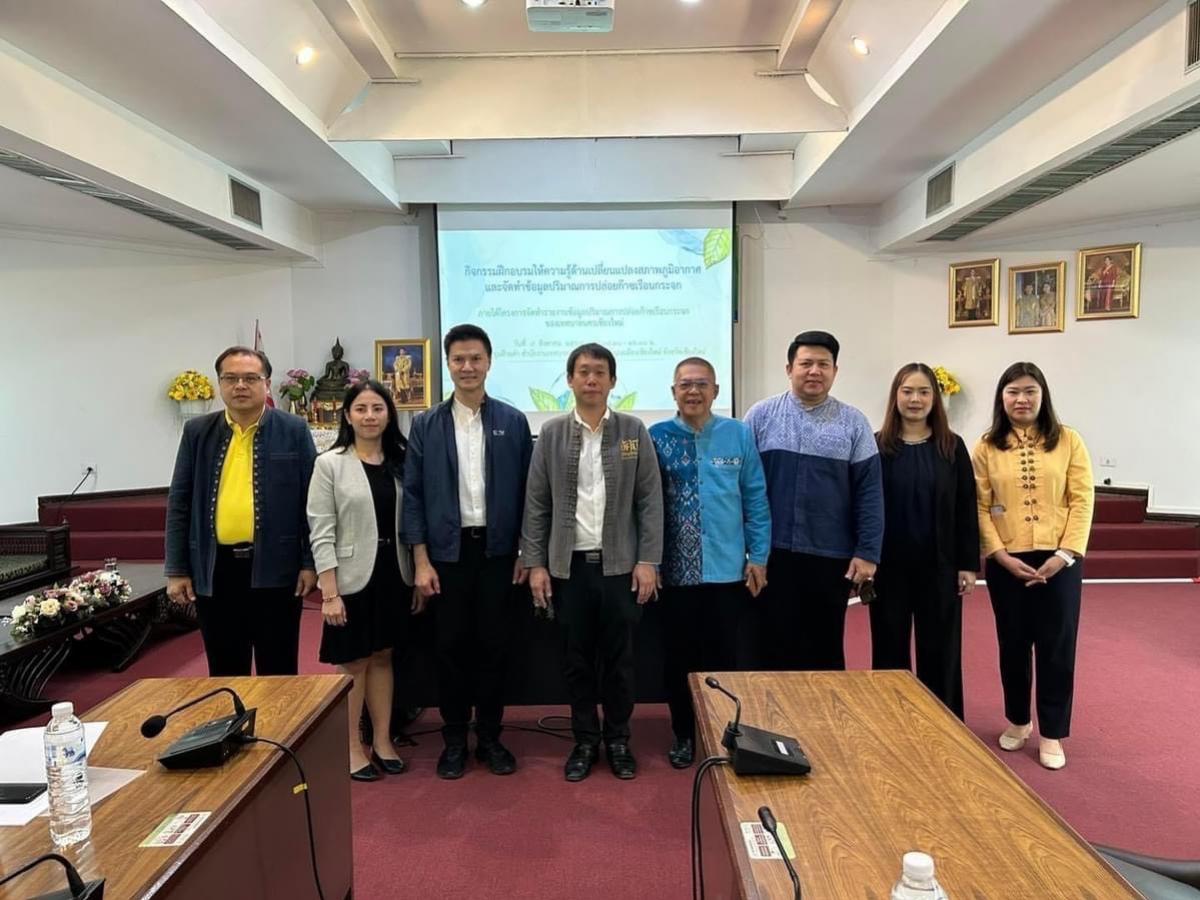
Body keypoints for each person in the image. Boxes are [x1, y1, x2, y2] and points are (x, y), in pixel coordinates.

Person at [521, 343, 663, 782]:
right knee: (576, 661)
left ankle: (618, 740)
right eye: (583, 372)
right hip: (569, 568)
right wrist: (536, 563)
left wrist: (648, 560)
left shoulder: (633, 431)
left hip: (621, 568)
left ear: (612, 381)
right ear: (570, 380)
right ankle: (584, 741)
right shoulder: (551, 434)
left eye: (600, 372)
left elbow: (650, 500)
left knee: (620, 661)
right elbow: (537, 503)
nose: (591, 379)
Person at [401, 324, 533, 779]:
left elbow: (530, 494)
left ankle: (491, 738)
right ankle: (455, 740)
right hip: (446, 557)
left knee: (495, 649)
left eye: (476, 358)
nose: (467, 367)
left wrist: (526, 551)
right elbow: (413, 495)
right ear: (448, 365)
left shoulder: (513, 421)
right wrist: (420, 560)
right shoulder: (426, 424)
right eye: (458, 359)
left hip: (499, 555)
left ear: (489, 362)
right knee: (450, 649)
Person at [165, 346, 317, 676]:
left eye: (250, 378)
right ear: (220, 384)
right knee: (225, 669)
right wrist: (177, 569)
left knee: (279, 670)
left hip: (277, 567)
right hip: (215, 568)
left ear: (267, 383)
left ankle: (278, 715)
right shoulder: (197, 432)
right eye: (230, 378)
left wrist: (309, 562)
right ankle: (231, 714)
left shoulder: (293, 430)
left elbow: (311, 503)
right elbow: (180, 502)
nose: (240, 386)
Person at [650, 357, 770, 768]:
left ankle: (720, 730)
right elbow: (644, 505)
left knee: (723, 656)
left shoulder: (738, 434)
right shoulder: (656, 437)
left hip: (727, 569)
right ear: (673, 392)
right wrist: (649, 561)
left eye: (702, 384)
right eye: (685, 384)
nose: (693, 391)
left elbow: (755, 499)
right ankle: (684, 734)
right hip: (675, 572)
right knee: (678, 658)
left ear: (716, 391)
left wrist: (759, 556)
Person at [972, 362, 1094, 770]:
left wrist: (1065, 554)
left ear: (1043, 396)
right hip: (1008, 561)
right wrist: (999, 554)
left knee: (1057, 646)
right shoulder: (987, 446)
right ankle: (1018, 720)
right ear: (1001, 398)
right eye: (1013, 392)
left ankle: (1052, 732)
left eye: (1029, 391)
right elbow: (979, 505)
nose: (1021, 399)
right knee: (1013, 643)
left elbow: (1082, 500)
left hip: (1060, 559)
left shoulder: (1069, 440)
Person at [743, 330, 883, 671]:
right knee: (767, 647)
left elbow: (869, 493)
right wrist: (747, 549)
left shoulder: (854, 423)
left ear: (835, 371)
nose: (814, 371)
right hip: (771, 554)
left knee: (824, 650)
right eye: (806, 363)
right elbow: (741, 487)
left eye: (823, 364)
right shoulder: (760, 416)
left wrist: (867, 553)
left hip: (830, 556)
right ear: (789, 368)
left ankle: (822, 709)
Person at [307, 380, 416, 781]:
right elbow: (321, 530)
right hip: (351, 578)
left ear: (389, 414)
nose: (370, 416)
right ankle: (352, 746)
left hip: (395, 572)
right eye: (361, 409)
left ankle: (382, 741)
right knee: (354, 661)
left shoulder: (402, 461)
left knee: (384, 656)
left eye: (377, 408)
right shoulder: (330, 463)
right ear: (348, 416)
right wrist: (329, 592)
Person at [870, 363, 979, 720]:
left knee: (941, 650)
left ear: (934, 398)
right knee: (889, 648)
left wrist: (967, 564)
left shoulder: (952, 446)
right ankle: (893, 719)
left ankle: (943, 721)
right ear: (895, 396)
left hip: (940, 567)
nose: (915, 399)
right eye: (907, 391)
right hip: (889, 568)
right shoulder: (877, 446)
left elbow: (966, 506)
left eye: (923, 392)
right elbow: (865, 506)